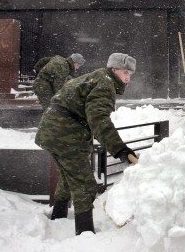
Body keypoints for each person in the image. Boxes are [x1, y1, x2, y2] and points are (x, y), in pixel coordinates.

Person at [34, 53, 138, 235]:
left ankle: (58, 217)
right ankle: (84, 233)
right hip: (65, 134)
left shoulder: (98, 77)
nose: (128, 77)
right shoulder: (105, 84)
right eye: (124, 72)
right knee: (85, 184)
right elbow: (98, 120)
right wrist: (121, 150)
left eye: (130, 73)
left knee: (68, 178)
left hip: (54, 131)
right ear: (114, 70)